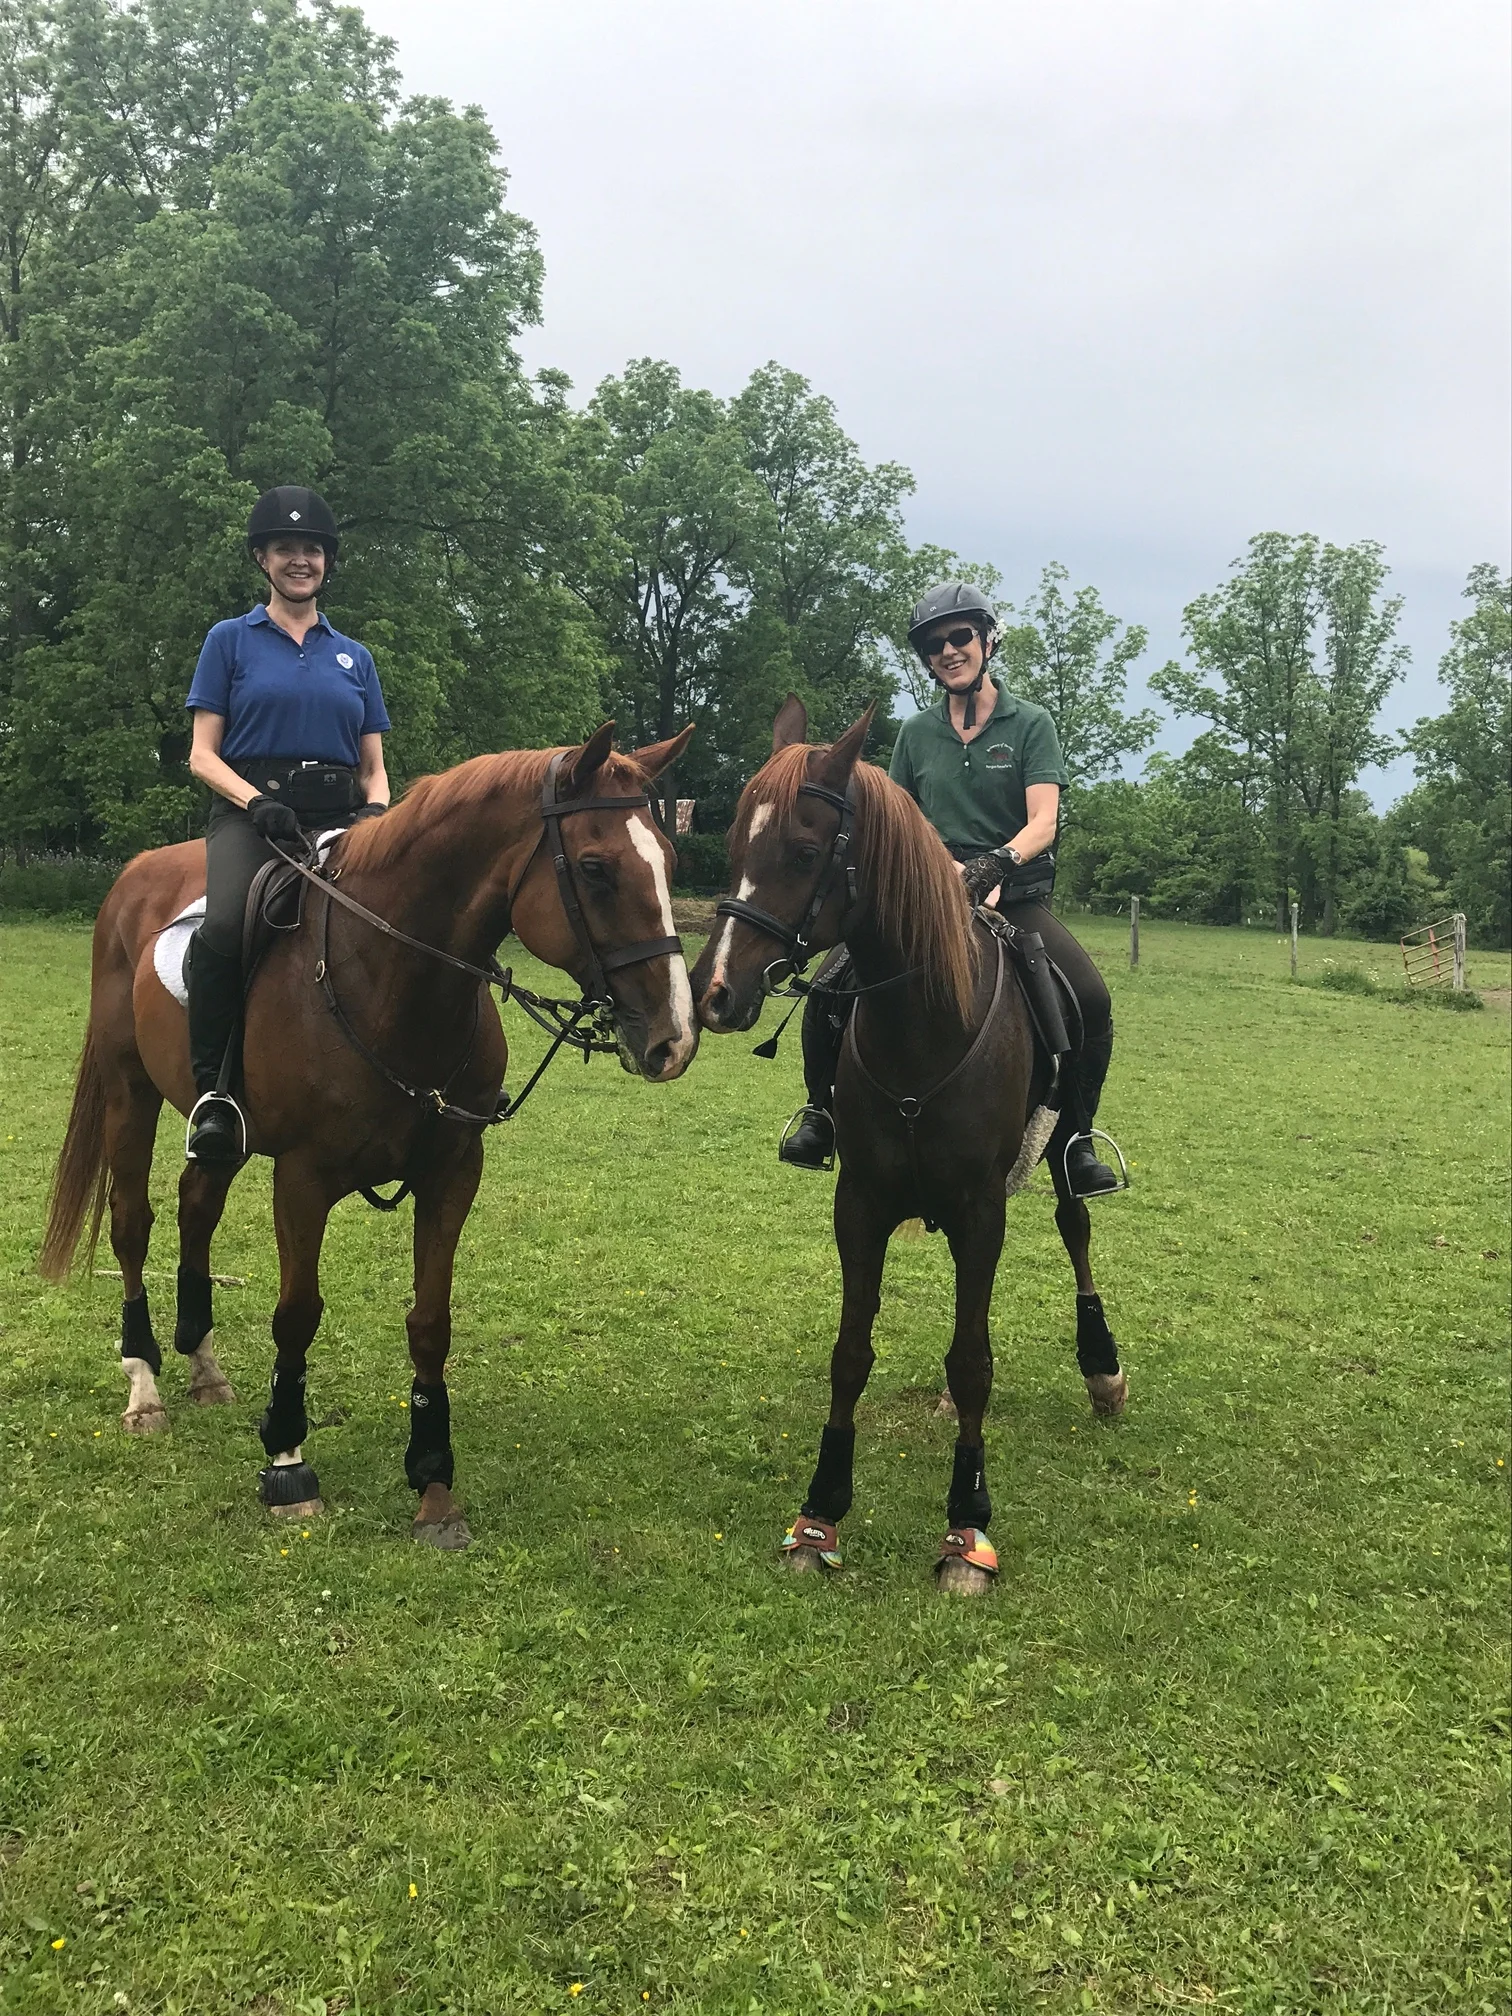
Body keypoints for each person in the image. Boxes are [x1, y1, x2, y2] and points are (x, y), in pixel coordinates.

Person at [779, 580, 1122, 1198]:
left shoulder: (1031, 724)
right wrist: (948, 875)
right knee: (828, 989)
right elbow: (903, 820)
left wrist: (995, 866)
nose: (947, 650)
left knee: (1090, 1000)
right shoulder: (916, 733)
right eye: (933, 645)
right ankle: (820, 1115)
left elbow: (1043, 821)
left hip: (1014, 894)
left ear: (988, 640)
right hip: (927, 892)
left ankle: (1077, 1141)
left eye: (959, 636)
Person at [181, 486, 391, 1163]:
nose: (300, 560)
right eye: (285, 549)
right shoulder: (229, 641)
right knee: (227, 924)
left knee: (406, 917)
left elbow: (374, 766)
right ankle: (214, 1093)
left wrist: (376, 815)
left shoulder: (354, 656)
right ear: (262, 559)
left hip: (342, 817)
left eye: (312, 550)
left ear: (327, 561)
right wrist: (255, 803)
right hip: (254, 816)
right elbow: (202, 754)